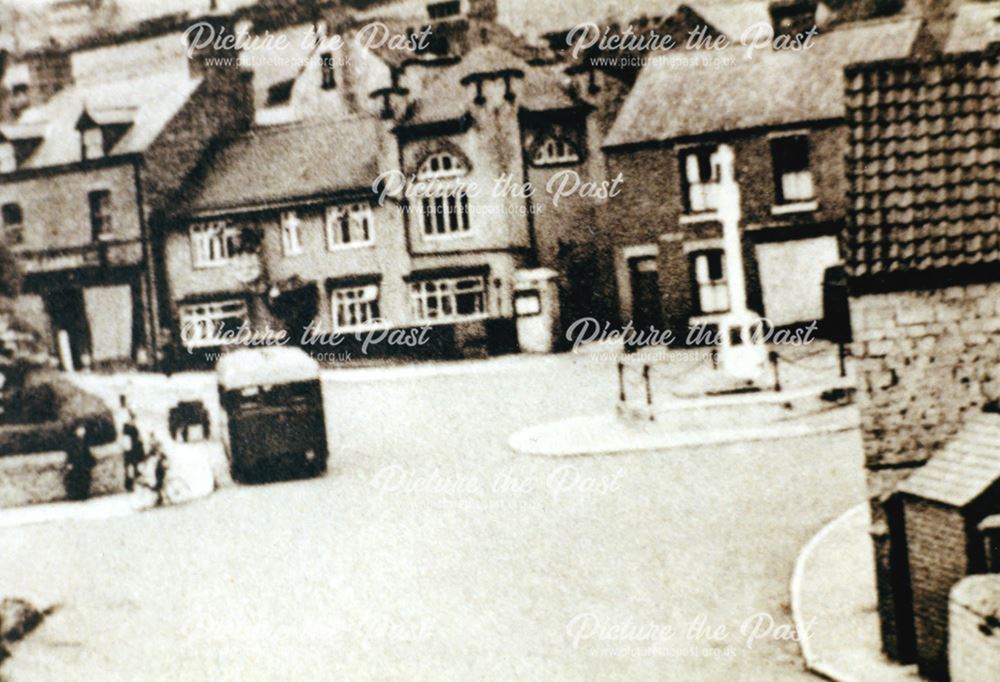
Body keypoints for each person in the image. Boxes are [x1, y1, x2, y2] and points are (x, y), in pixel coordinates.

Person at [64, 424, 95, 501]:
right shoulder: (73, 441)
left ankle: (84, 494)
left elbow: (87, 452)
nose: (82, 432)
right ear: (76, 432)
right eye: (80, 430)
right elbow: (70, 452)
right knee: (76, 479)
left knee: (85, 478)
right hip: (76, 463)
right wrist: (69, 463)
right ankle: (76, 495)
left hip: (83, 463)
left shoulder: (85, 441)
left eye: (83, 430)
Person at [120, 395, 144, 492]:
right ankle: (129, 484)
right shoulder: (126, 421)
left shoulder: (127, 412)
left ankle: (131, 483)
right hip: (129, 444)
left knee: (132, 465)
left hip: (131, 444)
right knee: (130, 465)